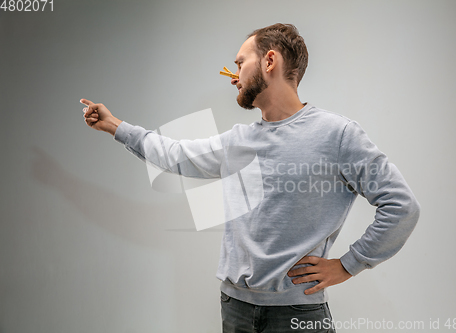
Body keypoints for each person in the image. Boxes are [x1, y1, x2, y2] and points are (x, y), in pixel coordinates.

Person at [81, 23, 420, 333]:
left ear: (269, 61)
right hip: (235, 309)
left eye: (241, 62)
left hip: (297, 316)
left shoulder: (337, 134)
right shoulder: (238, 140)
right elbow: (176, 155)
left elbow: (401, 206)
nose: (235, 74)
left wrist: (348, 265)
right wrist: (115, 127)